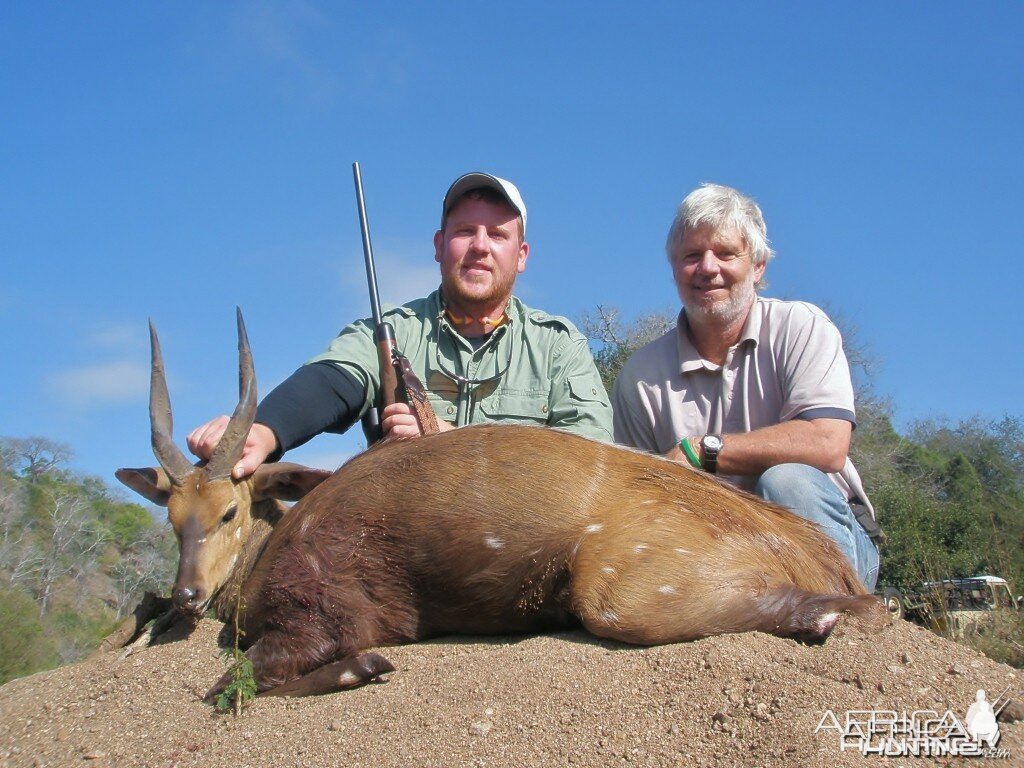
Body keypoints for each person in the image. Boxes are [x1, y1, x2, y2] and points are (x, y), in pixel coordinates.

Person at [188, 172, 613, 474]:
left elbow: (593, 461)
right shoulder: (394, 327)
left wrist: (455, 441)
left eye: (497, 235)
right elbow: (335, 378)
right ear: (439, 245)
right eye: (465, 231)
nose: (480, 246)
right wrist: (263, 431)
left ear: (521, 255)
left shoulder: (558, 345)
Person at [612, 183, 879, 590]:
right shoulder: (640, 375)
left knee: (786, 480)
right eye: (691, 255)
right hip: (718, 555)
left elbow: (827, 443)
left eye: (725, 253)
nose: (707, 268)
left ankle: (840, 611)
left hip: (824, 537)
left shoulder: (802, 326)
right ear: (673, 269)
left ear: (758, 266)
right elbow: (635, 494)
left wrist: (702, 451)